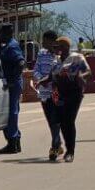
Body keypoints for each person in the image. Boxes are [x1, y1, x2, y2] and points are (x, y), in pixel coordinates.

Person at [51, 37, 90, 162]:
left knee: (69, 120)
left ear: (66, 47)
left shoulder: (77, 58)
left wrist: (81, 76)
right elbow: (52, 77)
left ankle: (70, 151)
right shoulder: (56, 61)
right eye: (56, 47)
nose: (57, 49)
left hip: (74, 92)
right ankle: (67, 148)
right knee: (62, 122)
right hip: (61, 93)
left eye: (59, 46)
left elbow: (89, 72)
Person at [31, 29, 61, 160]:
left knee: (56, 120)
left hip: (56, 93)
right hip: (43, 93)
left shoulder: (60, 56)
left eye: (45, 40)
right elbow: (36, 69)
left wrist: (49, 81)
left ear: (53, 41)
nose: (43, 42)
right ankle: (58, 144)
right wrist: (40, 79)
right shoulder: (41, 54)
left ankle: (54, 146)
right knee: (50, 120)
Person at [0, 25, 26, 155]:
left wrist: (12, 81)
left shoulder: (11, 46)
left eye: (0, 33)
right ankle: (15, 142)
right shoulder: (7, 45)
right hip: (12, 83)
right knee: (12, 111)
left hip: (12, 84)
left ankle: (12, 141)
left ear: (6, 33)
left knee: (11, 113)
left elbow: (21, 63)